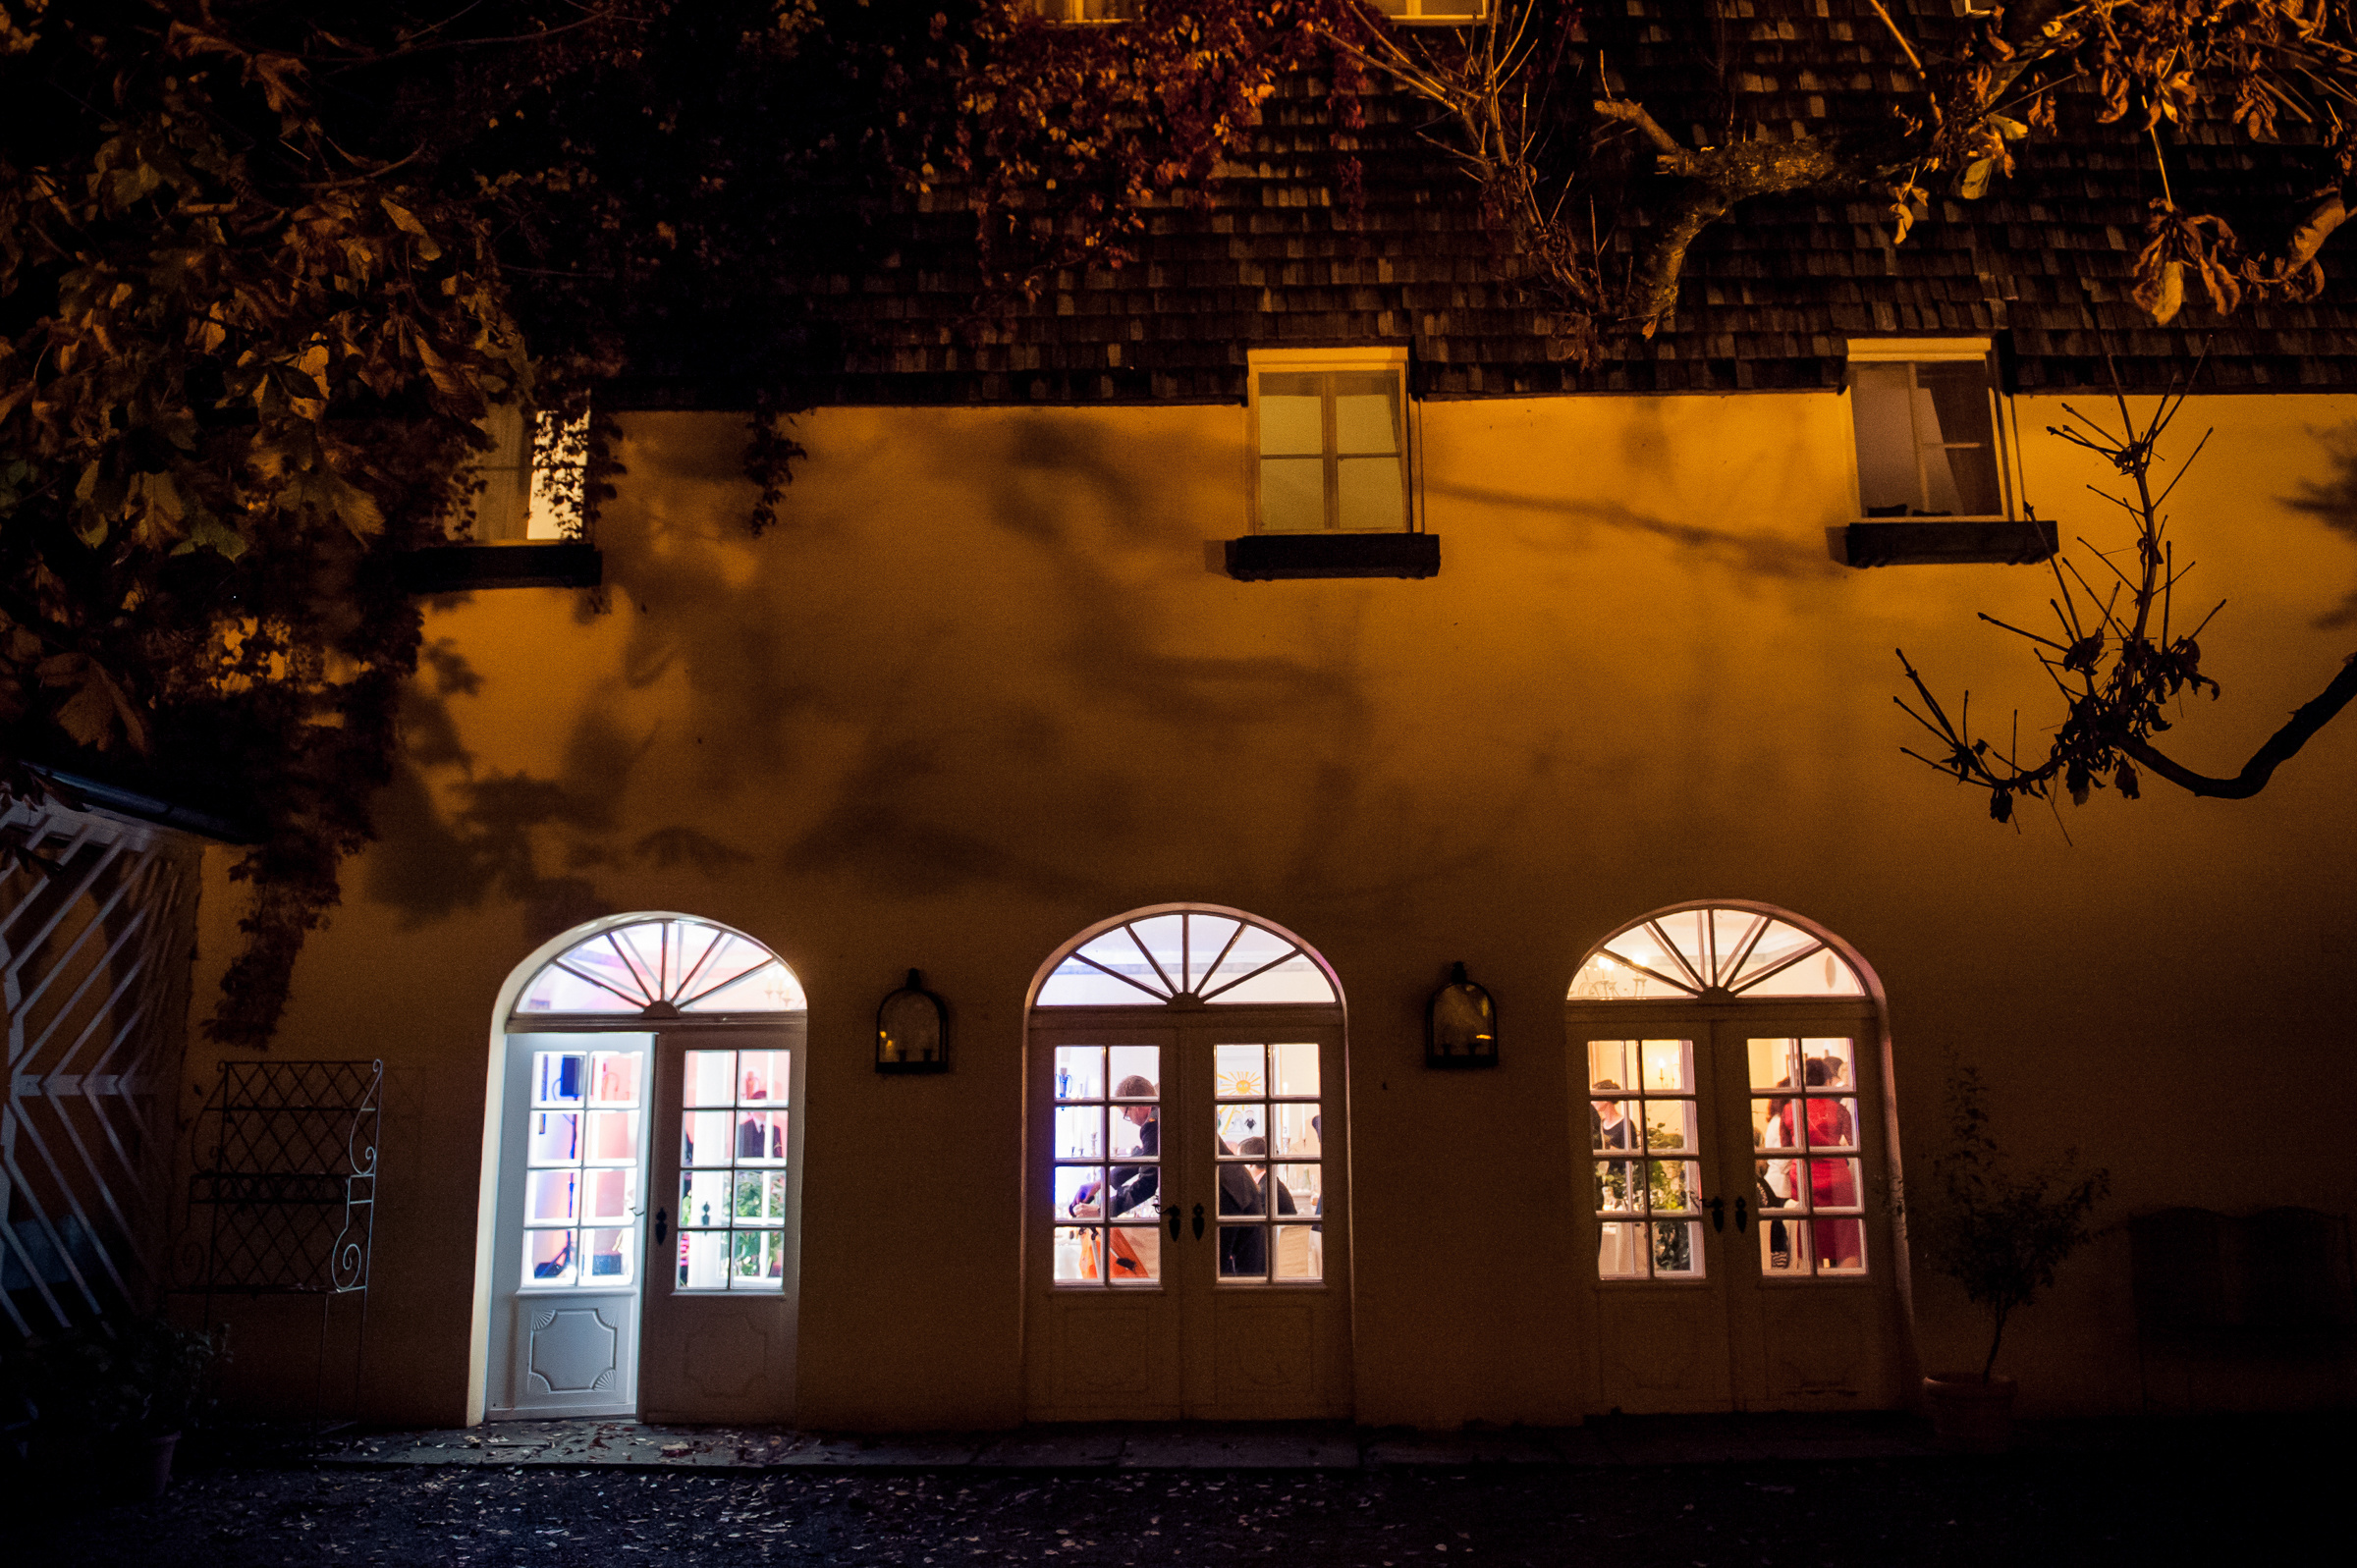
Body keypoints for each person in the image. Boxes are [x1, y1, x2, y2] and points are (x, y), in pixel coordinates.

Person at [1774, 1056, 1861, 1269]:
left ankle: (1819, 1289)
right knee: (1847, 1245)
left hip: (1806, 1181)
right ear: (1827, 1081)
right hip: (1837, 1182)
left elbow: (1786, 1148)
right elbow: (1856, 1145)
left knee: (1811, 1246)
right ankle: (1846, 1288)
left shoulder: (1790, 1110)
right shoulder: (1839, 1110)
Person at [1068, 1075, 1159, 1219]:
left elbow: (1146, 1184)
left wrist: (1102, 1210)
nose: (1131, 1121)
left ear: (1137, 1105)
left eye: (1127, 1115)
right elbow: (1144, 1157)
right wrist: (1099, 1183)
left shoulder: (1152, 1125)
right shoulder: (1158, 1117)